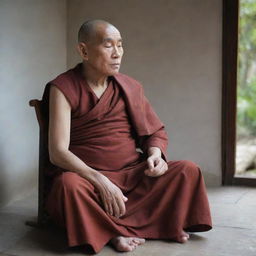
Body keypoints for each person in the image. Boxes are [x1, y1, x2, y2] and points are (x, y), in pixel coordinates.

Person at [41, 19, 212, 254]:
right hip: (89, 179)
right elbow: (58, 152)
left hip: (132, 175)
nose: (117, 54)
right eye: (108, 45)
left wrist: (155, 155)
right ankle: (122, 230)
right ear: (84, 50)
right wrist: (100, 181)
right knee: (68, 186)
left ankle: (113, 227)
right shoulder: (63, 88)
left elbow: (153, 132)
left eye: (120, 45)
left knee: (188, 170)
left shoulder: (129, 86)